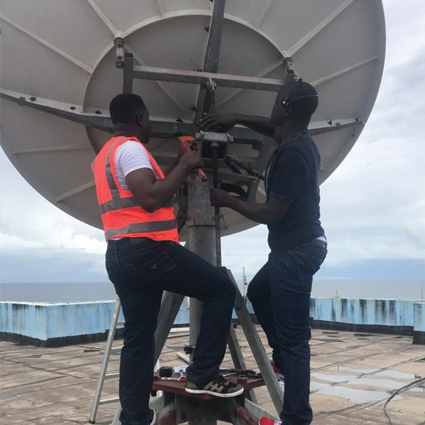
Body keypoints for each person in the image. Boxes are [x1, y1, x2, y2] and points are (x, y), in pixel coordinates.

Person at [92, 94, 243, 425]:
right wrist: (186, 166)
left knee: (138, 337)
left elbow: (151, 190)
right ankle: (202, 373)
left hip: (119, 254)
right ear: (141, 117)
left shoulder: (107, 154)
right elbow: (149, 198)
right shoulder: (131, 148)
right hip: (148, 250)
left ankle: (134, 418)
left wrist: (176, 167)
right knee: (220, 289)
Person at [204, 81, 327, 425]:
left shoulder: (293, 153)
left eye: (275, 103)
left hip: (296, 251)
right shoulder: (295, 139)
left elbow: (272, 213)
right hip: (295, 249)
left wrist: (227, 199)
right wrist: (236, 118)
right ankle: (284, 360)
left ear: (286, 107)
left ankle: (297, 417)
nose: (271, 108)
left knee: (295, 341)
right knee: (258, 291)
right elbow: (270, 126)